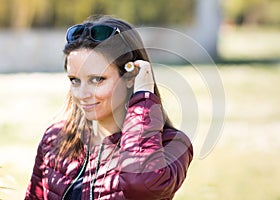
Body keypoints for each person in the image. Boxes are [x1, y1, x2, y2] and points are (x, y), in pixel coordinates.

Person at [25, 15, 193, 200]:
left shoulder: (172, 145)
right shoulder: (55, 138)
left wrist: (144, 96)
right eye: (75, 80)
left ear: (131, 77)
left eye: (97, 79)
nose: (82, 94)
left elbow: (142, 185)